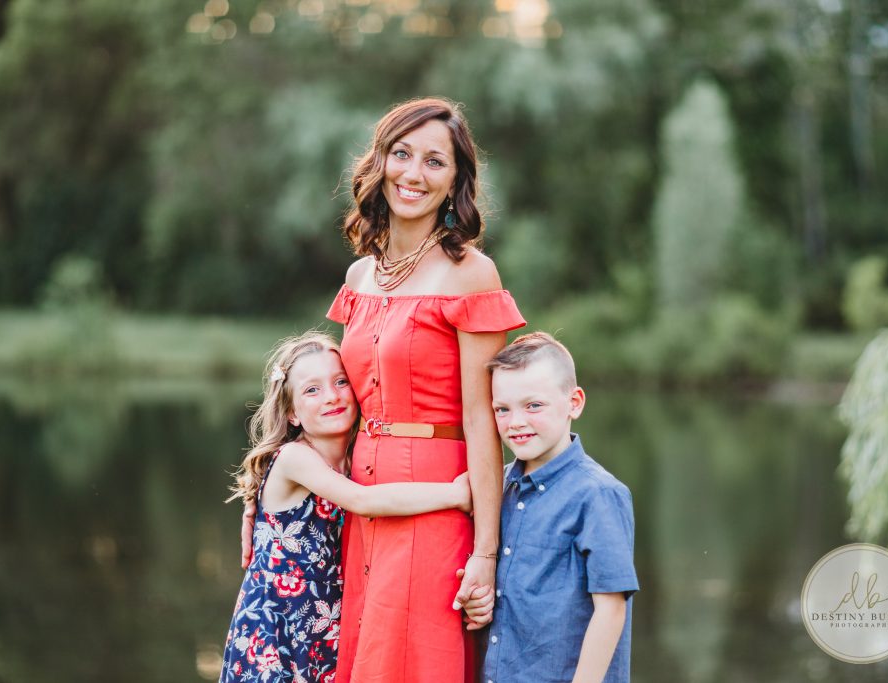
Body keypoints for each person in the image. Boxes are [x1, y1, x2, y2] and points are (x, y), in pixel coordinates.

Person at [324, 96, 525, 682]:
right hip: (363, 498)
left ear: (456, 181)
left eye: (435, 162)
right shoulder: (360, 275)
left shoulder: (471, 273)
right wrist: (267, 496)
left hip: (440, 493)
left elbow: (482, 419)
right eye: (402, 154)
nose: (413, 174)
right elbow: (339, 410)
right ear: (380, 161)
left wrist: (485, 554)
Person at [220, 331, 472, 683]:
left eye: (340, 382)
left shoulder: (356, 457)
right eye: (312, 390)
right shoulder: (296, 458)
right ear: (292, 413)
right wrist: (455, 494)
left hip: (323, 620)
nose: (332, 396)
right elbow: (364, 501)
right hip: (277, 626)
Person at [470, 332, 639, 683]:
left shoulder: (598, 494)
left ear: (574, 403)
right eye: (503, 409)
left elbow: (610, 611)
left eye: (533, 406)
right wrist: (477, 602)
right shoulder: (497, 487)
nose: (515, 421)